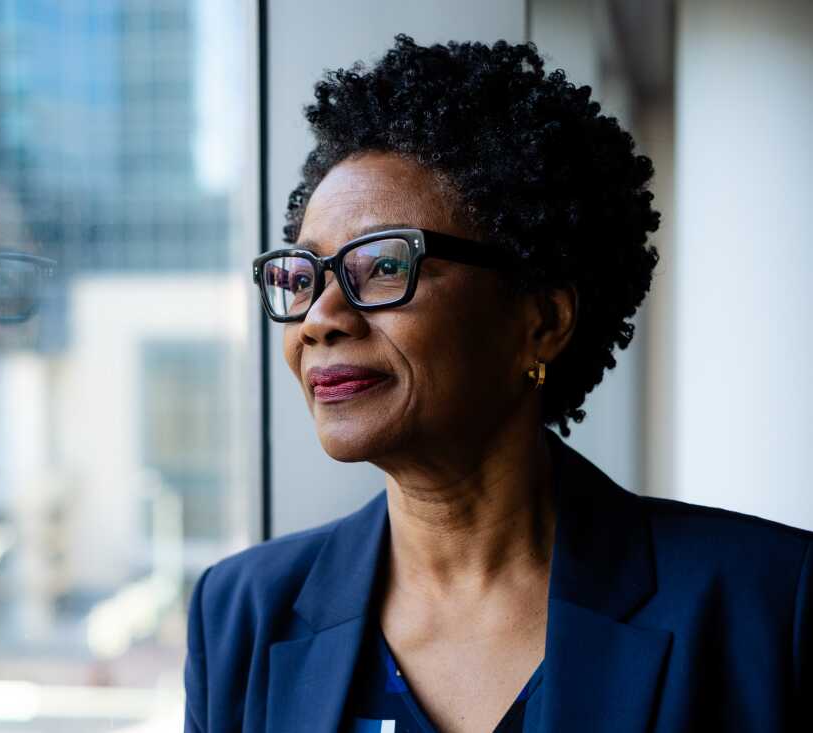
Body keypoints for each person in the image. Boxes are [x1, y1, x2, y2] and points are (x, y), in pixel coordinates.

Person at [183, 35, 812, 732]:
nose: (320, 319)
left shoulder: (768, 602)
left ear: (541, 319)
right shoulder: (240, 614)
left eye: (385, 267)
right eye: (302, 278)